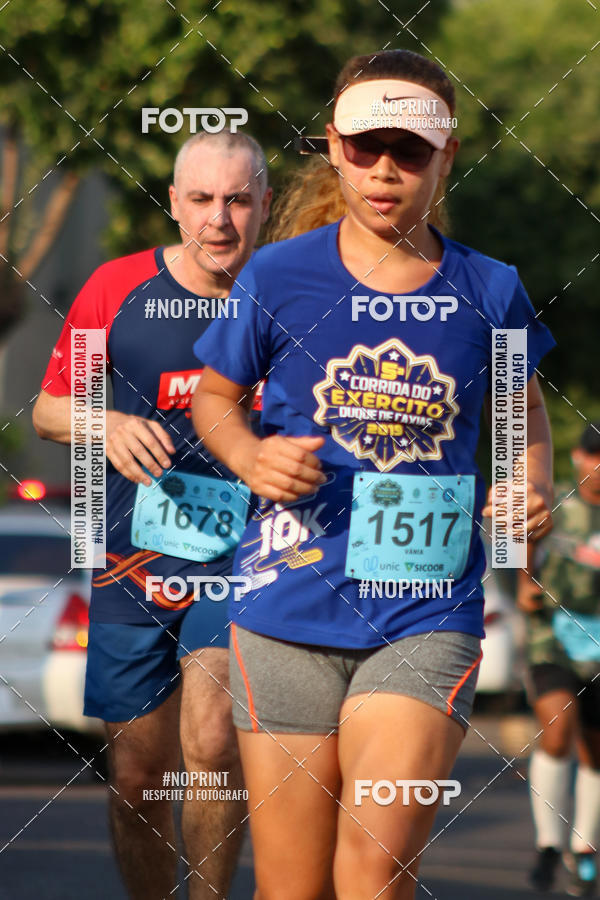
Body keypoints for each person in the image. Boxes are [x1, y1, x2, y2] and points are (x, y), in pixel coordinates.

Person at [191, 49, 556, 900]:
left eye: (411, 150)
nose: (385, 169)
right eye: (364, 147)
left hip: (425, 611)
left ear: (448, 156)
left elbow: (523, 413)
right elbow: (214, 398)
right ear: (332, 148)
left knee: (377, 865)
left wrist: (528, 485)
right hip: (285, 605)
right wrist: (249, 454)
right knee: (291, 886)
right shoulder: (278, 276)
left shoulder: (491, 290)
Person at [32, 130, 272, 900]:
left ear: (264, 203)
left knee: (211, 744)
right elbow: (47, 410)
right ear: (173, 204)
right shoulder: (117, 287)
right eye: (200, 199)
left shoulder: (293, 295)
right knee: (137, 775)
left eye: (237, 199)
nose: (219, 220)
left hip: (244, 558)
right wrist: (106, 424)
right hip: (131, 562)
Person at [520, 421, 600, 897]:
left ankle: (585, 846)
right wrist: (528, 582)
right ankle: (549, 843)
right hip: (552, 634)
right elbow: (517, 545)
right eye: (594, 455)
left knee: (595, 746)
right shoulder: (557, 508)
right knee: (558, 725)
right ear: (578, 457)